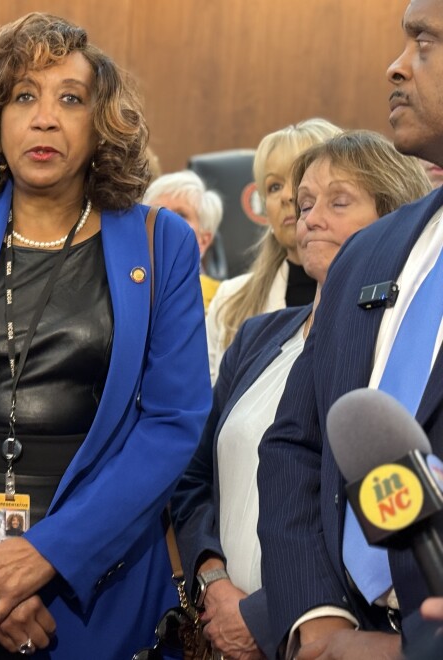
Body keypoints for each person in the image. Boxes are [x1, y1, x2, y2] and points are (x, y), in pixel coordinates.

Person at [0, 12, 210, 660]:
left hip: (97, 592)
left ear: (100, 121)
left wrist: (48, 555)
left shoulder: (163, 244)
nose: (45, 118)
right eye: (24, 96)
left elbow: (172, 421)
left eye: (69, 99)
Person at [170, 130, 430, 660]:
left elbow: (365, 515)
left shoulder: (399, 354)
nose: (308, 217)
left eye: (338, 201)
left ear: (394, 220)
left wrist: (266, 617)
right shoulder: (259, 335)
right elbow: (194, 479)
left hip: (326, 638)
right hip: (214, 623)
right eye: (304, 202)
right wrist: (213, 580)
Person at [257, 2, 443, 657]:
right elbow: (294, 447)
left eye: (423, 43)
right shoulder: (370, 253)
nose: (396, 67)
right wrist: (317, 619)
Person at [205, 119, 342, 383]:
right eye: (274, 186)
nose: (288, 196)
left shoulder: (372, 295)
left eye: (301, 180)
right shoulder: (229, 302)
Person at [143, 170, 224, 311]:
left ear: (203, 241)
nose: (165, 221)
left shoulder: (223, 301)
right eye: (157, 212)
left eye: (181, 214)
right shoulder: (120, 291)